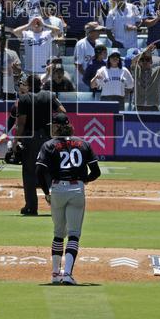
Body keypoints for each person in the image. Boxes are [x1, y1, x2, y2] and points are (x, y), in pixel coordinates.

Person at [35, 112, 101, 285]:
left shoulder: (49, 145)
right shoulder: (84, 144)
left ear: (57, 127)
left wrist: (46, 192)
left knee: (58, 233)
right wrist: (84, 180)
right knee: (73, 234)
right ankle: (68, 275)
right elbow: (96, 172)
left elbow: (39, 171)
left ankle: (55, 274)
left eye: (53, 125)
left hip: (57, 189)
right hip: (77, 189)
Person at [14, 75, 65, 216]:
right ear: (41, 84)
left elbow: (21, 123)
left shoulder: (24, 98)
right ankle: (57, 205)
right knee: (49, 171)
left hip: (31, 138)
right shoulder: (50, 95)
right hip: (48, 138)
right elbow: (63, 112)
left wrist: (15, 141)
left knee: (29, 172)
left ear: (28, 85)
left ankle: (31, 207)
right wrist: (51, 122)